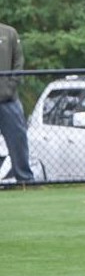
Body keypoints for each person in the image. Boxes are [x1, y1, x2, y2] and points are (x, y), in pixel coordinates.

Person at [0, 20, 34, 184]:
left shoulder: (9, 33)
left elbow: (18, 62)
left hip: (8, 100)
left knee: (18, 140)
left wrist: (10, 88)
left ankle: (25, 179)